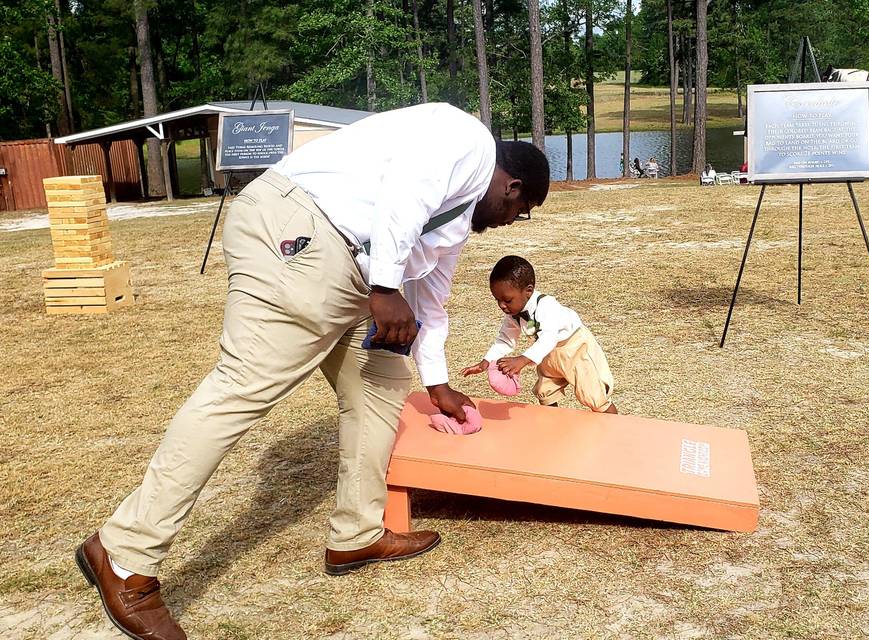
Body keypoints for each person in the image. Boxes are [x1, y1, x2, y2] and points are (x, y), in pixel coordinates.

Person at [74, 103, 550, 640]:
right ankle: (123, 554)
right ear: (512, 188)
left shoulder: (458, 214)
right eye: (522, 211)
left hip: (349, 271)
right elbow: (403, 193)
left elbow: (432, 298)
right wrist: (386, 290)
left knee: (384, 382)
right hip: (302, 236)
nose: (511, 224)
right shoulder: (465, 140)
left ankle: (356, 533)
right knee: (240, 390)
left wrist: (437, 384)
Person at [461, 255, 617, 414]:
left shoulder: (547, 306)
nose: (502, 305)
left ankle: (615, 428)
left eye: (507, 300)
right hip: (547, 354)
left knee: (594, 396)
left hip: (573, 349)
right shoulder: (513, 313)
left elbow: (548, 339)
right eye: (497, 300)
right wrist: (487, 361)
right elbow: (505, 339)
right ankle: (552, 424)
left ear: (528, 290)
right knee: (546, 392)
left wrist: (521, 360)